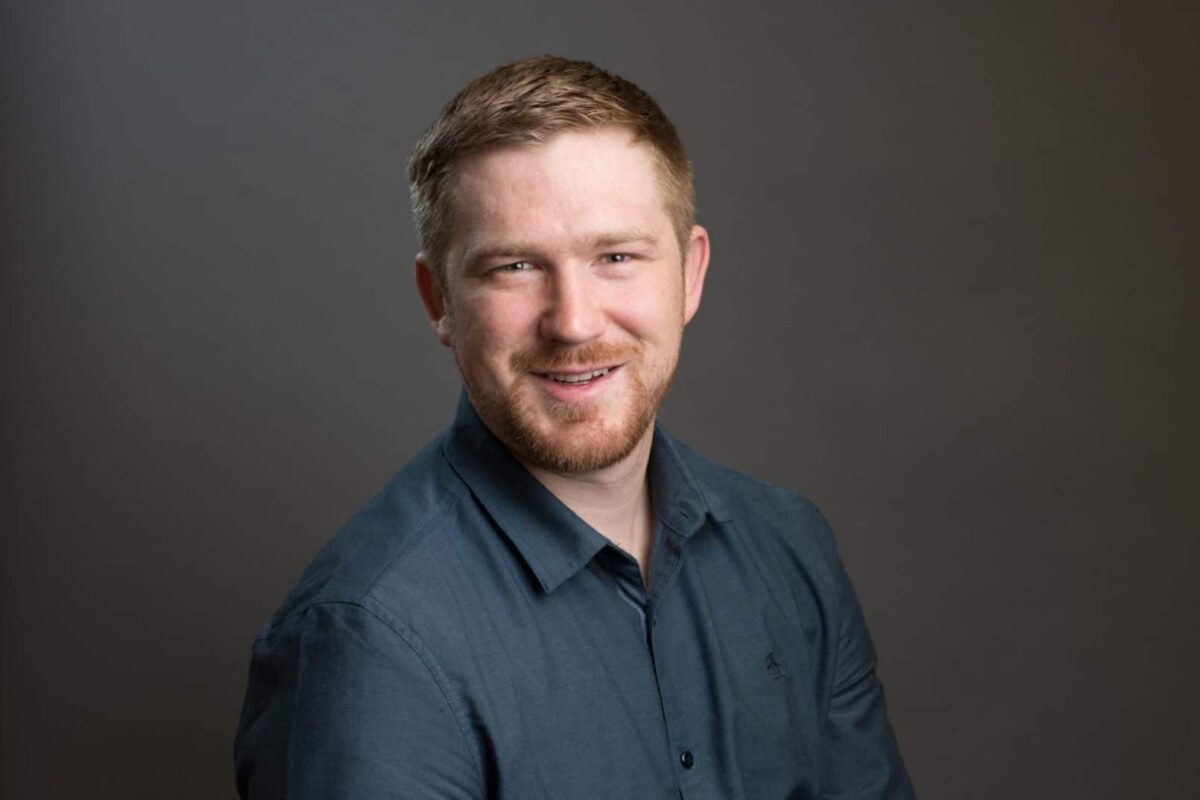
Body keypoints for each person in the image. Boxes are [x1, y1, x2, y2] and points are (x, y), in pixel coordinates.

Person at [234, 55, 915, 799]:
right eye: (516, 267)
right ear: (439, 300)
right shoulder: (368, 640)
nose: (575, 322)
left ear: (689, 275)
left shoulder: (790, 548)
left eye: (616, 256)